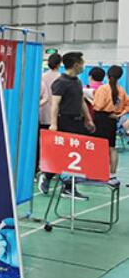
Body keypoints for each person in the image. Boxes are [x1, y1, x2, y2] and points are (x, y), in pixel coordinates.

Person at [45, 52, 96, 201]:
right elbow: (55, 104)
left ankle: (48, 176)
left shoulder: (77, 81)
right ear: (75, 65)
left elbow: (81, 101)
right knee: (67, 155)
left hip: (77, 121)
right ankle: (67, 187)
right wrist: (53, 124)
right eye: (82, 63)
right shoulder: (61, 82)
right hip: (64, 121)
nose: (83, 66)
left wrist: (88, 119)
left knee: (75, 154)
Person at [92, 65, 128, 179]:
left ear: (107, 75)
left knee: (99, 146)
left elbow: (98, 106)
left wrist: (91, 102)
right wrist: (119, 114)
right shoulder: (121, 90)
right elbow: (127, 105)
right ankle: (112, 174)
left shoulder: (102, 89)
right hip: (112, 119)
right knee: (112, 147)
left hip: (101, 118)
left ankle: (98, 172)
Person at [36, 52, 61, 194]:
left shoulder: (41, 77)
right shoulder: (61, 78)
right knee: (53, 145)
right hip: (55, 117)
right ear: (59, 64)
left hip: (42, 114)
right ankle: (50, 170)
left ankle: (39, 169)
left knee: (40, 144)